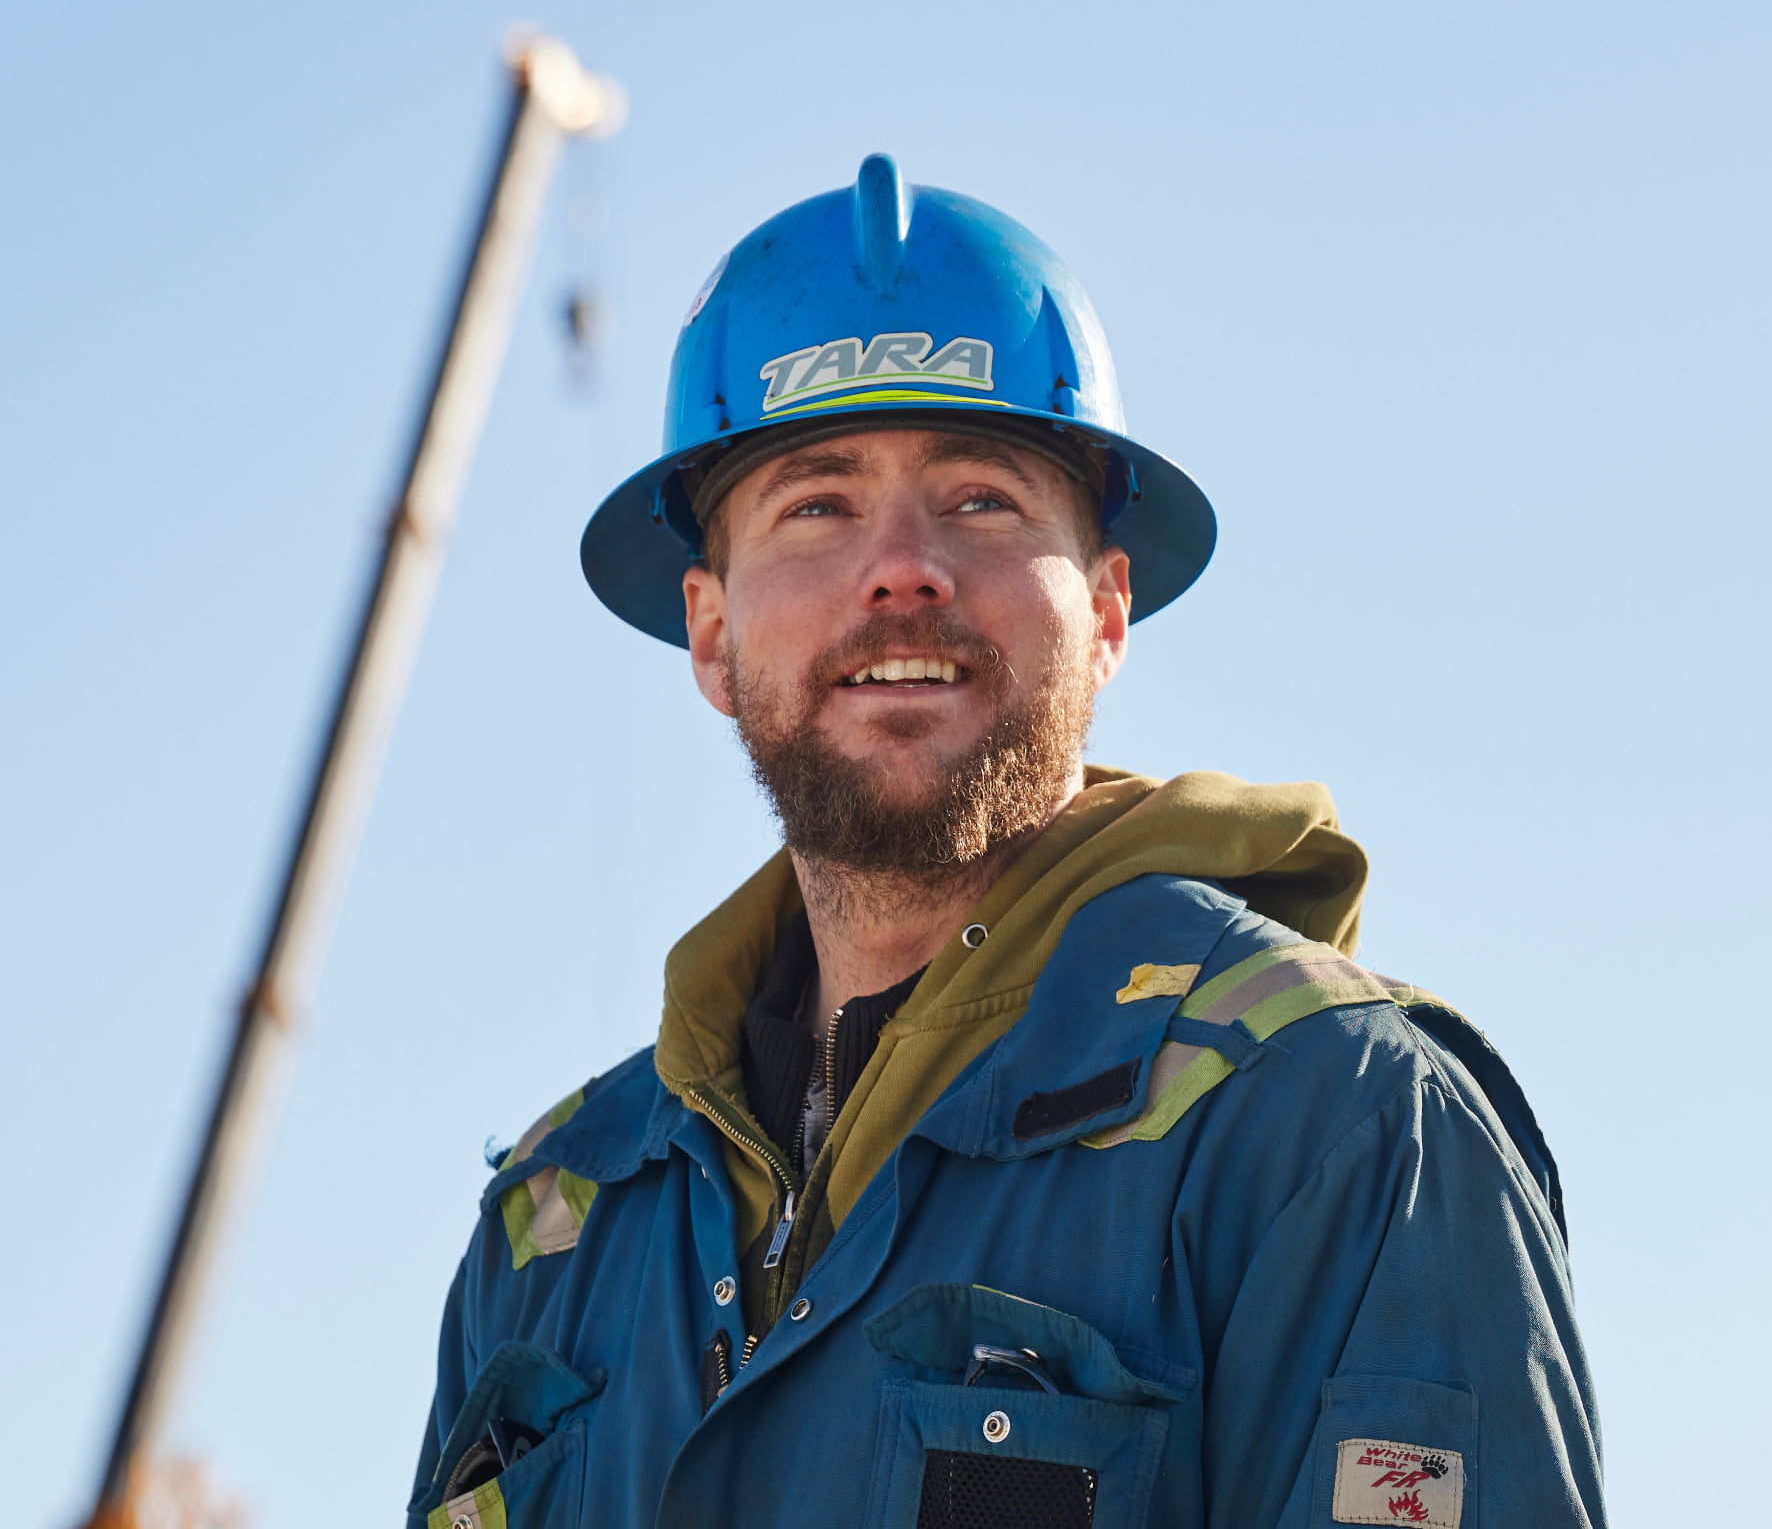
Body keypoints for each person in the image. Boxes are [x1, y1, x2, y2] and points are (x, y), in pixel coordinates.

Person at [408, 156, 1607, 1529]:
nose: (903, 566)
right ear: (712, 631)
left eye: (983, 498)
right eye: (816, 504)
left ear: (1104, 614)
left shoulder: (1330, 1119)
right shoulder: (559, 1220)